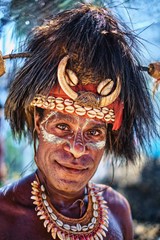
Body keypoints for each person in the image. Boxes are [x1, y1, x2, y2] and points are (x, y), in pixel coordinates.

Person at [0, 4, 158, 240]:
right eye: (62, 126)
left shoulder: (118, 210)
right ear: (37, 121)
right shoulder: (4, 217)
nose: (77, 148)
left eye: (94, 132)